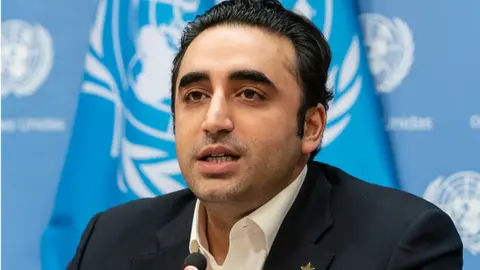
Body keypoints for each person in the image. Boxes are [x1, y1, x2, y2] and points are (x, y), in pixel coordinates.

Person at [67, 0, 463, 269]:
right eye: (195, 95)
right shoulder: (110, 241)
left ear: (311, 126)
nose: (214, 119)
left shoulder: (401, 243)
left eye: (250, 94)